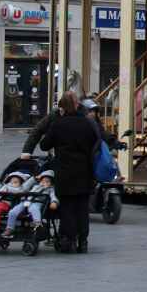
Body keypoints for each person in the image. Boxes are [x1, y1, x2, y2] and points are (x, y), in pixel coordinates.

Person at [40, 92, 98, 253]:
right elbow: (95, 140)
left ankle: (69, 239)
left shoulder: (58, 124)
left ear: (63, 107)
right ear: (77, 105)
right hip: (84, 170)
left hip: (65, 171)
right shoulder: (86, 123)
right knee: (82, 207)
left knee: (67, 207)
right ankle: (83, 241)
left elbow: (44, 145)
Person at [4, 170, 58, 238]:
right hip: (26, 201)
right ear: (40, 181)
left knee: (34, 209)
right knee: (13, 212)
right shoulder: (35, 186)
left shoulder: (51, 189)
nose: (44, 183)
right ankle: (10, 228)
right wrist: (33, 179)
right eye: (43, 181)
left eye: (47, 181)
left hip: (37, 202)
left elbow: (53, 196)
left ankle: (37, 224)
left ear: (51, 183)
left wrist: (54, 202)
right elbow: (24, 189)